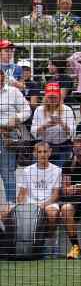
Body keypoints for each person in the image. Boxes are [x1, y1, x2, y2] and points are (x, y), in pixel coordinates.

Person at [16, 141, 62, 252]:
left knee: (52, 213)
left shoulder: (57, 170)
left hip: (49, 203)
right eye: (39, 152)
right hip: (31, 203)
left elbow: (55, 195)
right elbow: (22, 194)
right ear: (34, 153)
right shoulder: (27, 171)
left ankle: (50, 243)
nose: (42, 154)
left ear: (50, 152)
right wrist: (22, 206)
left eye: (45, 151)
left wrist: (43, 205)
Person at [0, 70, 32, 202]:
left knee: (8, 172)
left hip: (8, 134)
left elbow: (27, 110)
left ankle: (11, 206)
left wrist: (16, 118)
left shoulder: (13, 92)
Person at [30, 83, 76, 166]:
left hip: (62, 147)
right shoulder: (39, 110)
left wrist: (61, 123)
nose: (52, 99)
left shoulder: (67, 109)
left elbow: (72, 132)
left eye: (54, 97)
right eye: (50, 97)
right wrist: (45, 126)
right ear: (46, 97)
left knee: (60, 174)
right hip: (43, 147)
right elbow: (33, 131)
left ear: (59, 97)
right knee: (38, 173)